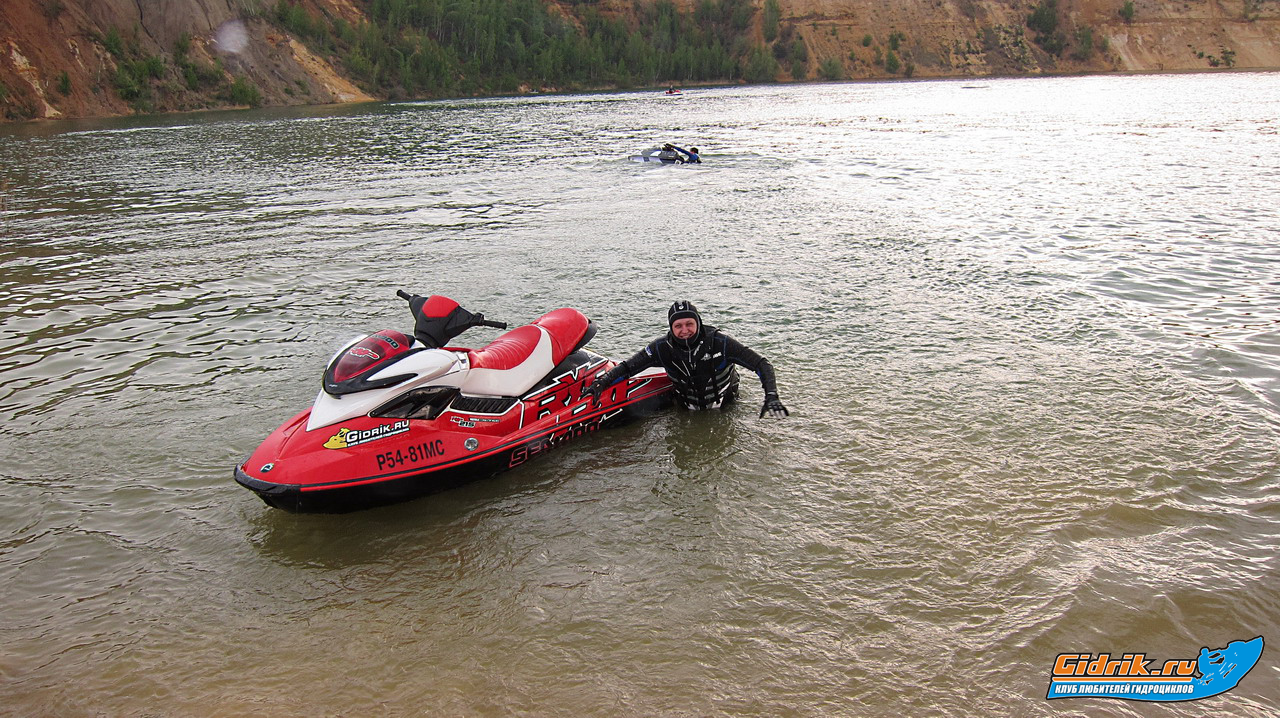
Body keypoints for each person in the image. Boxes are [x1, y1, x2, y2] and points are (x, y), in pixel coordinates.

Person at [588, 301, 788, 418]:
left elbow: (761, 364)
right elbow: (628, 368)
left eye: (689, 324)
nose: (685, 330)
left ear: (698, 323)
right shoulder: (661, 348)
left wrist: (771, 395)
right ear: (671, 328)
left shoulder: (721, 343)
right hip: (686, 409)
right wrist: (601, 383)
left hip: (727, 407)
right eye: (678, 326)